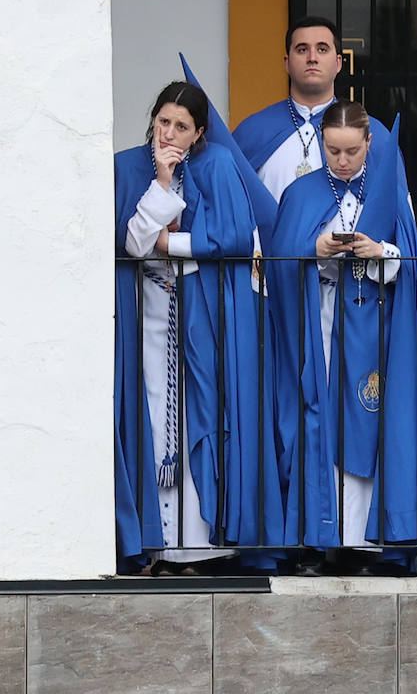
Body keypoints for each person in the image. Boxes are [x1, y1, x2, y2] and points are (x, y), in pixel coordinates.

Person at [114, 81, 281, 574]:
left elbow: (232, 236)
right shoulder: (128, 166)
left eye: (181, 127)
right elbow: (132, 241)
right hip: (146, 313)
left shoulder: (217, 165)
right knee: (152, 413)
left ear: (200, 132)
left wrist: (174, 245)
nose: (169, 132)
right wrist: (162, 184)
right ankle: (155, 542)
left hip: (203, 315)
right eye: (163, 121)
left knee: (198, 416)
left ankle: (199, 546)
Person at [266, 101, 417, 573]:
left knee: (373, 420)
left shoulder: (390, 188)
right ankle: (322, 538)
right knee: (322, 417)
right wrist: (314, 249)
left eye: (352, 151)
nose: (343, 161)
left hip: (376, 318)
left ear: (370, 143)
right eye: (333, 151)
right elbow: (280, 263)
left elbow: (412, 257)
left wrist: (382, 250)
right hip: (326, 318)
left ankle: (373, 544)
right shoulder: (301, 192)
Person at [232, 16, 391, 204]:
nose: (312, 58)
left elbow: (393, 211)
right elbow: (232, 208)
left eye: (322, 49)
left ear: (339, 63)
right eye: (302, 50)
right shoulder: (253, 131)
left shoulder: (373, 133)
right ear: (287, 63)